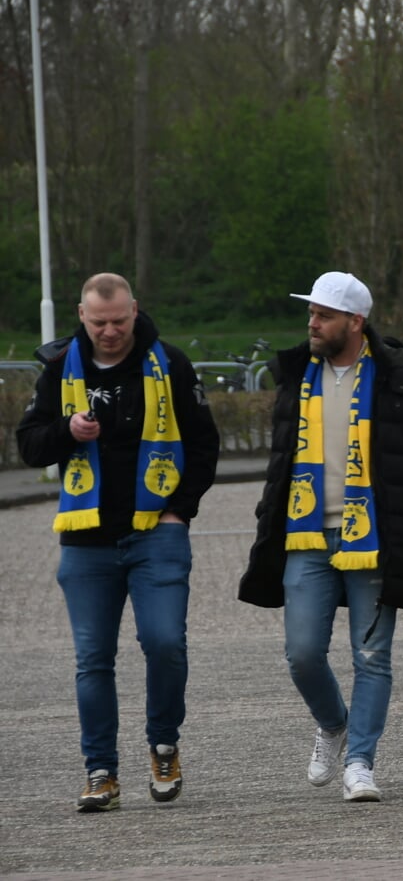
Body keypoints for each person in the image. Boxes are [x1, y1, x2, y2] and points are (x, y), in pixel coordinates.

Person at [238, 271, 403, 803]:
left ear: (355, 322)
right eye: (310, 313)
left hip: (375, 538)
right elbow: (281, 460)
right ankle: (334, 724)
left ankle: (361, 763)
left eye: (324, 315)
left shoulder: (399, 376)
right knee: (302, 654)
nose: (312, 323)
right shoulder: (295, 374)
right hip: (306, 536)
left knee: (372, 657)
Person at [17, 272, 220, 812]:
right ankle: (100, 771)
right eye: (99, 322)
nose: (110, 332)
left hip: (157, 532)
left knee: (164, 643)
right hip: (86, 541)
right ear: (82, 317)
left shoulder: (170, 362)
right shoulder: (60, 368)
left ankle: (163, 743)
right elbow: (29, 444)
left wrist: (181, 511)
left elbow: (204, 443)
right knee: (92, 659)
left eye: (119, 320)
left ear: (136, 310)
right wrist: (68, 433)